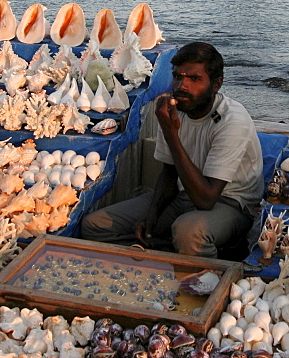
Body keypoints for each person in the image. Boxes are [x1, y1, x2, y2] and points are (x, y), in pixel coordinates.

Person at [80, 42, 264, 258]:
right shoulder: (176, 110)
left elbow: (206, 200)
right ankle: (164, 251)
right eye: (178, 77)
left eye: (194, 79)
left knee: (189, 232)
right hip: (183, 195)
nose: (182, 85)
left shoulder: (232, 120)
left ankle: (200, 266)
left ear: (216, 84)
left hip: (229, 203)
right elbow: (169, 172)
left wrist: (170, 133)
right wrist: (153, 214)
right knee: (95, 225)